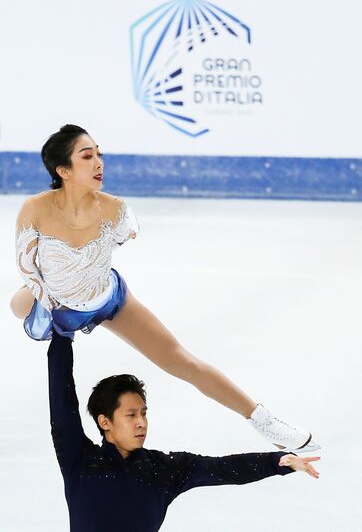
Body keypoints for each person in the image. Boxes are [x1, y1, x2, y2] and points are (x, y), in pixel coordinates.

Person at [11, 124, 319, 452]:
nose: (99, 162)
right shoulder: (36, 209)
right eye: (87, 156)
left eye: (100, 153)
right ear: (64, 171)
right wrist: (54, 300)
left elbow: (120, 237)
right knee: (18, 307)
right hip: (57, 301)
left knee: (180, 360)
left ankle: (264, 421)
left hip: (107, 298)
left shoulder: (113, 209)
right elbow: (27, 268)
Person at [48, 331, 320, 532]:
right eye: (131, 415)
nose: (141, 422)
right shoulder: (81, 461)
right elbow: (62, 403)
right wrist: (62, 338)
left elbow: (221, 468)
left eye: (143, 413)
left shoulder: (161, 470)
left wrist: (277, 462)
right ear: (104, 421)